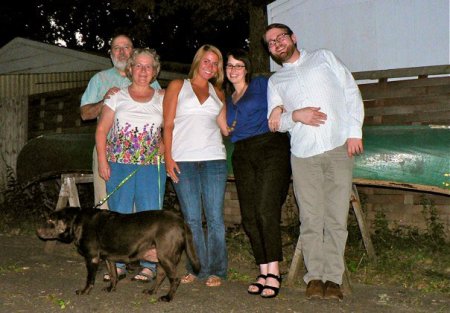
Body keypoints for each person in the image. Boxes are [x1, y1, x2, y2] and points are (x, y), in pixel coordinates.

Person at [264, 23, 364, 301]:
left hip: (337, 148)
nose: (276, 44)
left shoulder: (324, 57)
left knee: (335, 218)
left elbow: (350, 91)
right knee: (310, 218)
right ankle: (314, 277)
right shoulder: (276, 81)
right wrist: (296, 115)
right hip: (304, 155)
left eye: (280, 37)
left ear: (293, 38)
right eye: (271, 43)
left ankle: (333, 278)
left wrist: (355, 131)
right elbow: (275, 123)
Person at [224, 49, 291, 298]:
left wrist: (278, 108)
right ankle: (262, 270)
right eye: (230, 65)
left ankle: (274, 271)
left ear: (247, 68)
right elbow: (225, 127)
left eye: (239, 65)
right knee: (250, 215)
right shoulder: (228, 98)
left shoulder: (261, 83)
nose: (233, 70)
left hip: (270, 146)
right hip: (242, 153)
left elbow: (285, 94)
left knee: (265, 209)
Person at [96, 48, 166, 283]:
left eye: (148, 66)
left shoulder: (163, 98)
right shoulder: (116, 96)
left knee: (150, 216)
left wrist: (165, 149)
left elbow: (173, 130)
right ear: (130, 69)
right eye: (138, 65)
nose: (143, 70)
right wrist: (103, 161)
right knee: (119, 217)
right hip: (119, 164)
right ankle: (117, 264)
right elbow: (102, 130)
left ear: (155, 71)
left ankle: (149, 265)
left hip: (151, 166)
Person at [163, 44, 229, 287]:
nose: (210, 67)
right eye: (207, 61)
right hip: (183, 160)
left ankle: (217, 270)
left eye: (215, 63)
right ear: (197, 61)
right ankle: (196, 268)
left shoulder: (218, 92)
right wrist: (168, 157)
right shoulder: (178, 86)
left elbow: (225, 128)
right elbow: (167, 124)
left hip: (214, 159)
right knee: (191, 219)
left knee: (215, 218)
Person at [80, 34, 161, 210]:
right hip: (111, 153)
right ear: (111, 53)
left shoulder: (155, 87)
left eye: (126, 47)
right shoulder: (100, 79)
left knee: (144, 213)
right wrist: (104, 101)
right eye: (117, 48)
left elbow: (166, 122)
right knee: (108, 208)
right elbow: (85, 114)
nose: (122, 52)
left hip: (148, 159)